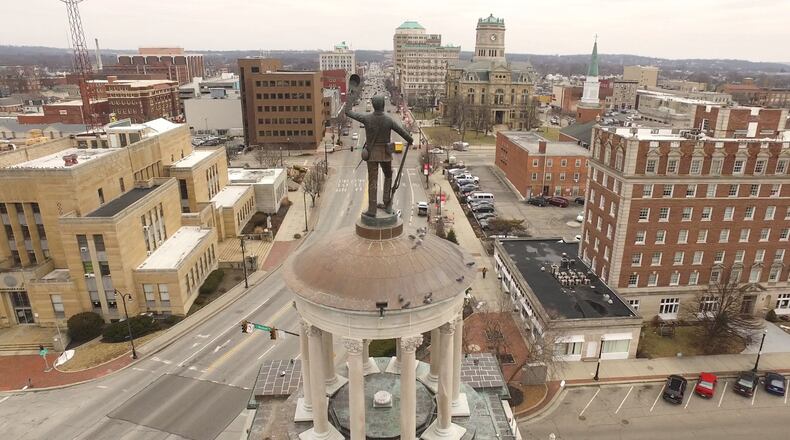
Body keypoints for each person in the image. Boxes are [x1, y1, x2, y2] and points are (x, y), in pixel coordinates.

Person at [346, 95, 414, 216]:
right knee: (388, 175)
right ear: (383, 105)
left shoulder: (366, 118)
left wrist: (350, 94)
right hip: (385, 154)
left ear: (373, 105)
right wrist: (410, 139)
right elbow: (403, 132)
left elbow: (348, 112)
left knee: (372, 180)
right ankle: (387, 203)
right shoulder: (388, 120)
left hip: (372, 154)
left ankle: (372, 209)